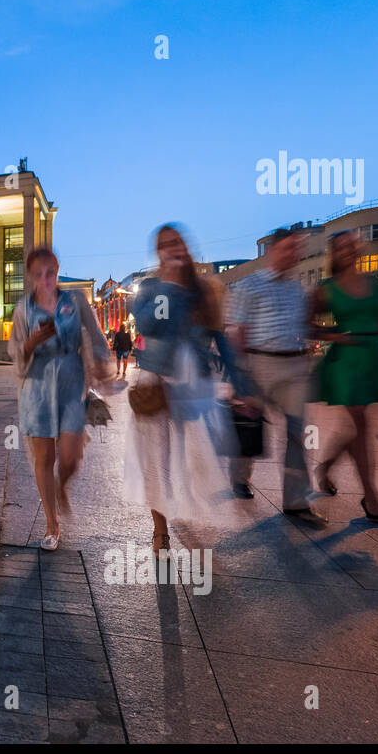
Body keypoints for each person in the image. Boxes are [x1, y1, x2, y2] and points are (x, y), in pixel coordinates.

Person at [127, 225, 254, 555]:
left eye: (176, 243)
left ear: (186, 248)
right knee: (158, 462)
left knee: (198, 460)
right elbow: (148, 325)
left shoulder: (205, 290)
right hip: (156, 385)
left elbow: (220, 338)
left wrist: (241, 385)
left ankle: (183, 508)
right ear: (158, 253)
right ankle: (160, 531)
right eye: (164, 246)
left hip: (194, 387)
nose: (172, 250)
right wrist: (168, 285)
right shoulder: (152, 287)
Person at [9, 246, 113, 551]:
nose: (45, 279)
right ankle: (52, 524)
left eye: (50, 273)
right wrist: (31, 343)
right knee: (44, 458)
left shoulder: (75, 300)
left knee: (70, 456)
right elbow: (15, 351)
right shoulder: (23, 310)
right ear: (31, 276)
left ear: (56, 271)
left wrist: (102, 363)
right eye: (39, 274)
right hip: (37, 388)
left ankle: (61, 485)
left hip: (70, 384)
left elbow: (95, 335)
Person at [226, 227, 326, 527]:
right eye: (287, 248)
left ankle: (296, 502)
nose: (293, 254)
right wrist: (240, 381)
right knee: (250, 425)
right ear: (273, 251)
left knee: (298, 434)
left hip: (294, 366)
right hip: (259, 363)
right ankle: (239, 476)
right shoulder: (248, 285)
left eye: (297, 249)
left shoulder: (299, 289)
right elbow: (237, 332)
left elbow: (306, 327)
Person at [308, 230, 378, 526]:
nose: (345, 250)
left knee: (359, 427)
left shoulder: (377, 285)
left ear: (358, 249)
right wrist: (336, 336)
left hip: (372, 358)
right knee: (362, 424)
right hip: (345, 361)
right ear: (334, 253)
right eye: (339, 247)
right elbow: (308, 326)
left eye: (349, 245)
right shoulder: (326, 288)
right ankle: (371, 495)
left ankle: (326, 467)